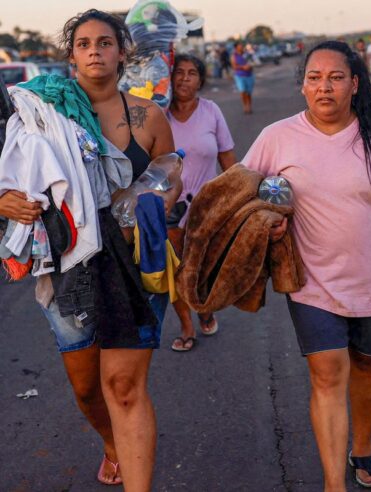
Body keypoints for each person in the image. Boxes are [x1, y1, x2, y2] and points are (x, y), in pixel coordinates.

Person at [242, 40, 371, 490]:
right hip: (310, 280)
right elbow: (242, 196)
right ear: (302, 87)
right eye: (315, 78)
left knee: (366, 362)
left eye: (335, 78)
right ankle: (333, 483)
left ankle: (362, 445)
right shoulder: (277, 137)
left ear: (355, 85)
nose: (324, 87)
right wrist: (267, 224)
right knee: (328, 370)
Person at [0, 9, 180, 489]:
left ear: (122, 52)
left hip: (135, 264)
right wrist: (5, 198)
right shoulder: (42, 112)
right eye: (84, 44)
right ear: (72, 55)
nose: (95, 51)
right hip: (69, 267)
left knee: (122, 386)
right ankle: (110, 441)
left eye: (105, 42)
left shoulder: (148, 115)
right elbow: (14, 172)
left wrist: (154, 203)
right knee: (86, 387)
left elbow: (169, 172)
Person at [166, 53, 236, 352]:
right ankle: (186, 326)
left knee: (202, 267)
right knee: (175, 269)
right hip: (168, 205)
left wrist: (238, 198)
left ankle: (205, 307)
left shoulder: (211, 111)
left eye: (191, 73)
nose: (184, 78)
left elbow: (228, 159)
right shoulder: (157, 112)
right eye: (178, 72)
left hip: (205, 206)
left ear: (201, 80)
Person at [231, 41, 255, 114]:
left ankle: (249, 106)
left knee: (248, 93)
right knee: (243, 91)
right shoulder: (234, 56)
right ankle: (245, 106)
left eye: (242, 45)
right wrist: (243, 67)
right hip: (239, 76)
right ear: (236, 47)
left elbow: (252, 62)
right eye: (239, 46)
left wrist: (250, 66)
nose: (241, 47)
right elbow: (234, 66)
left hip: (249, 75)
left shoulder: (247, 54)